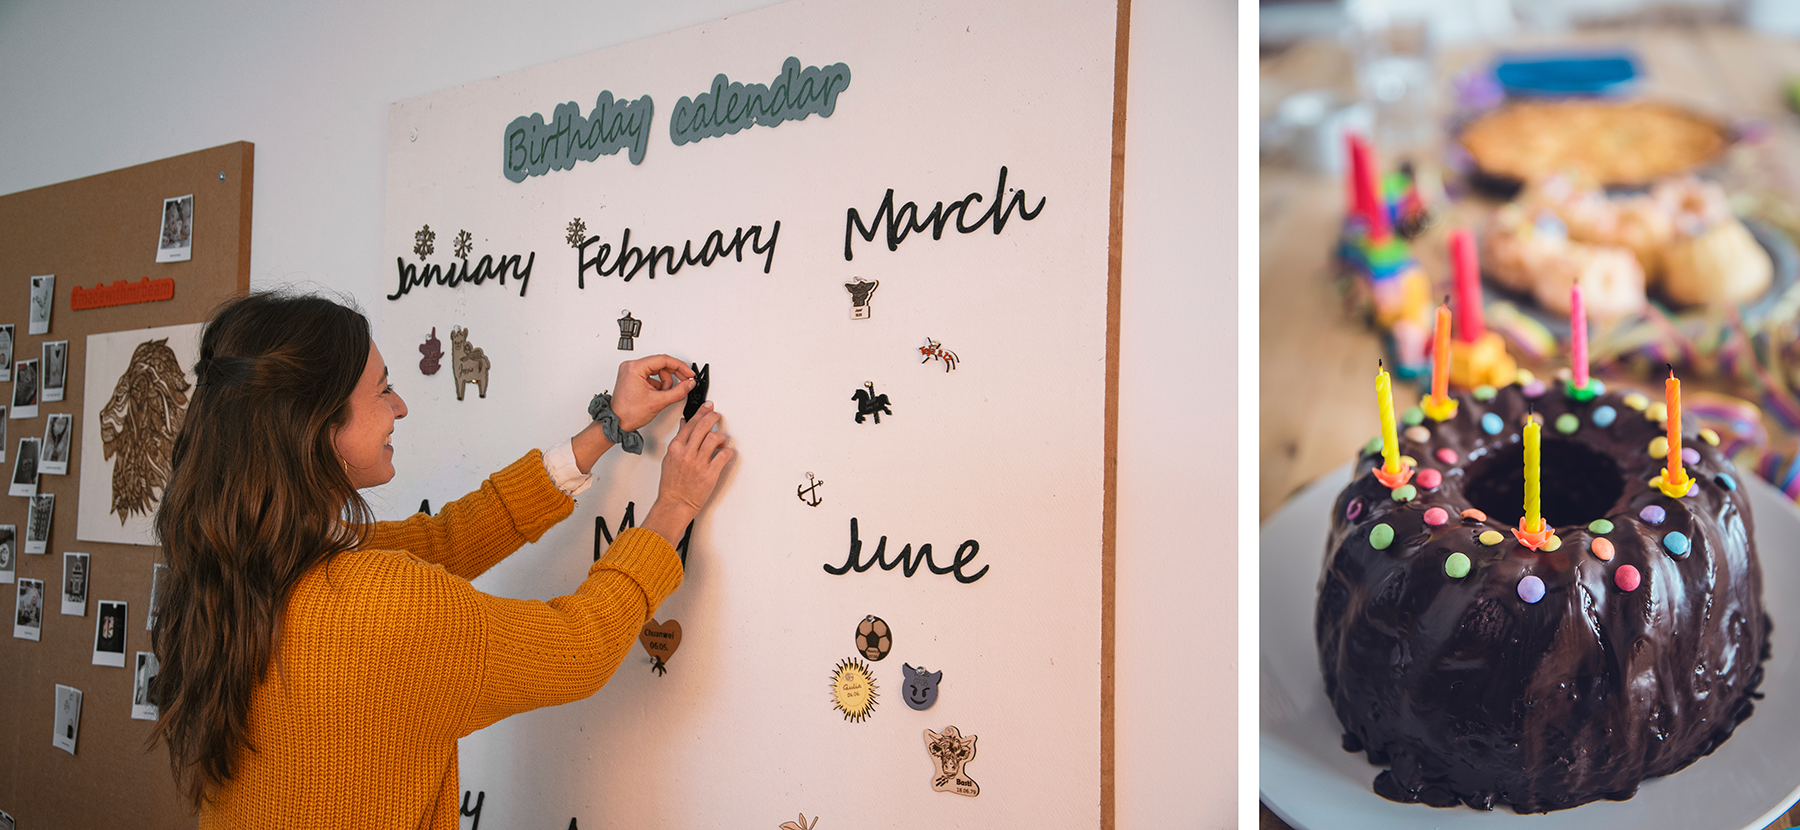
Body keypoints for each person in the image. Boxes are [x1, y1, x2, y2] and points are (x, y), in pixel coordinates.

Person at [148, 292, 732, 826]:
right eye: (381, 390)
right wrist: (673, 506)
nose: (400, 406)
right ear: (318, 426)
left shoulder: (242, 563)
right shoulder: (380, 604)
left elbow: (446, 540)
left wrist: (606, 429)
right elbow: (580, 648)